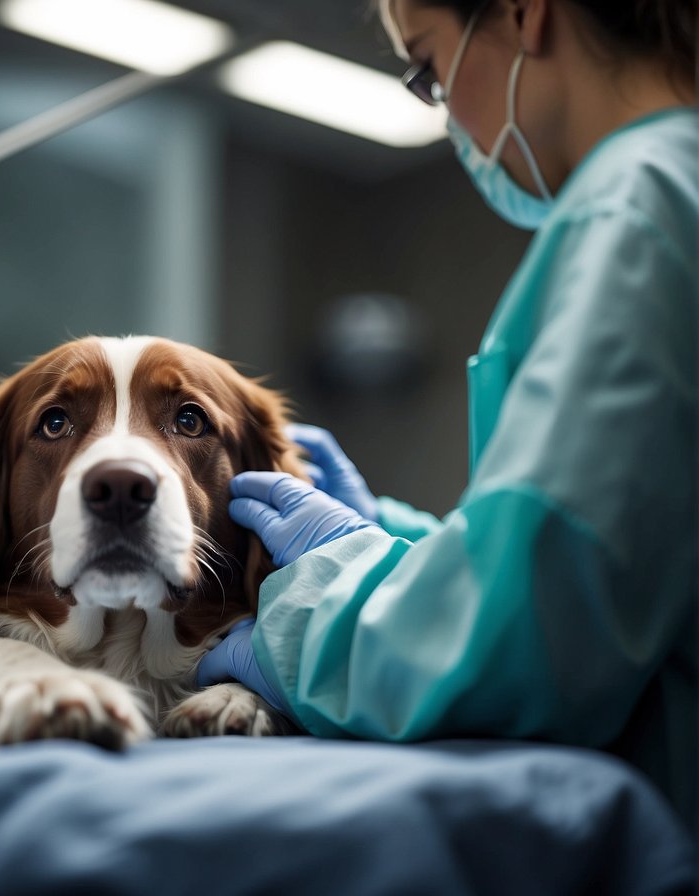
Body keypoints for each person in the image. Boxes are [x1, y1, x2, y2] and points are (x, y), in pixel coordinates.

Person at [197, 0, 698, 826]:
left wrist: (304, 623)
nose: (446, 115)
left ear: (525, 12)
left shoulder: (638, 204)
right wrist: (392, 545)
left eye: (428, 70)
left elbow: (525, 648)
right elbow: (619, 569)